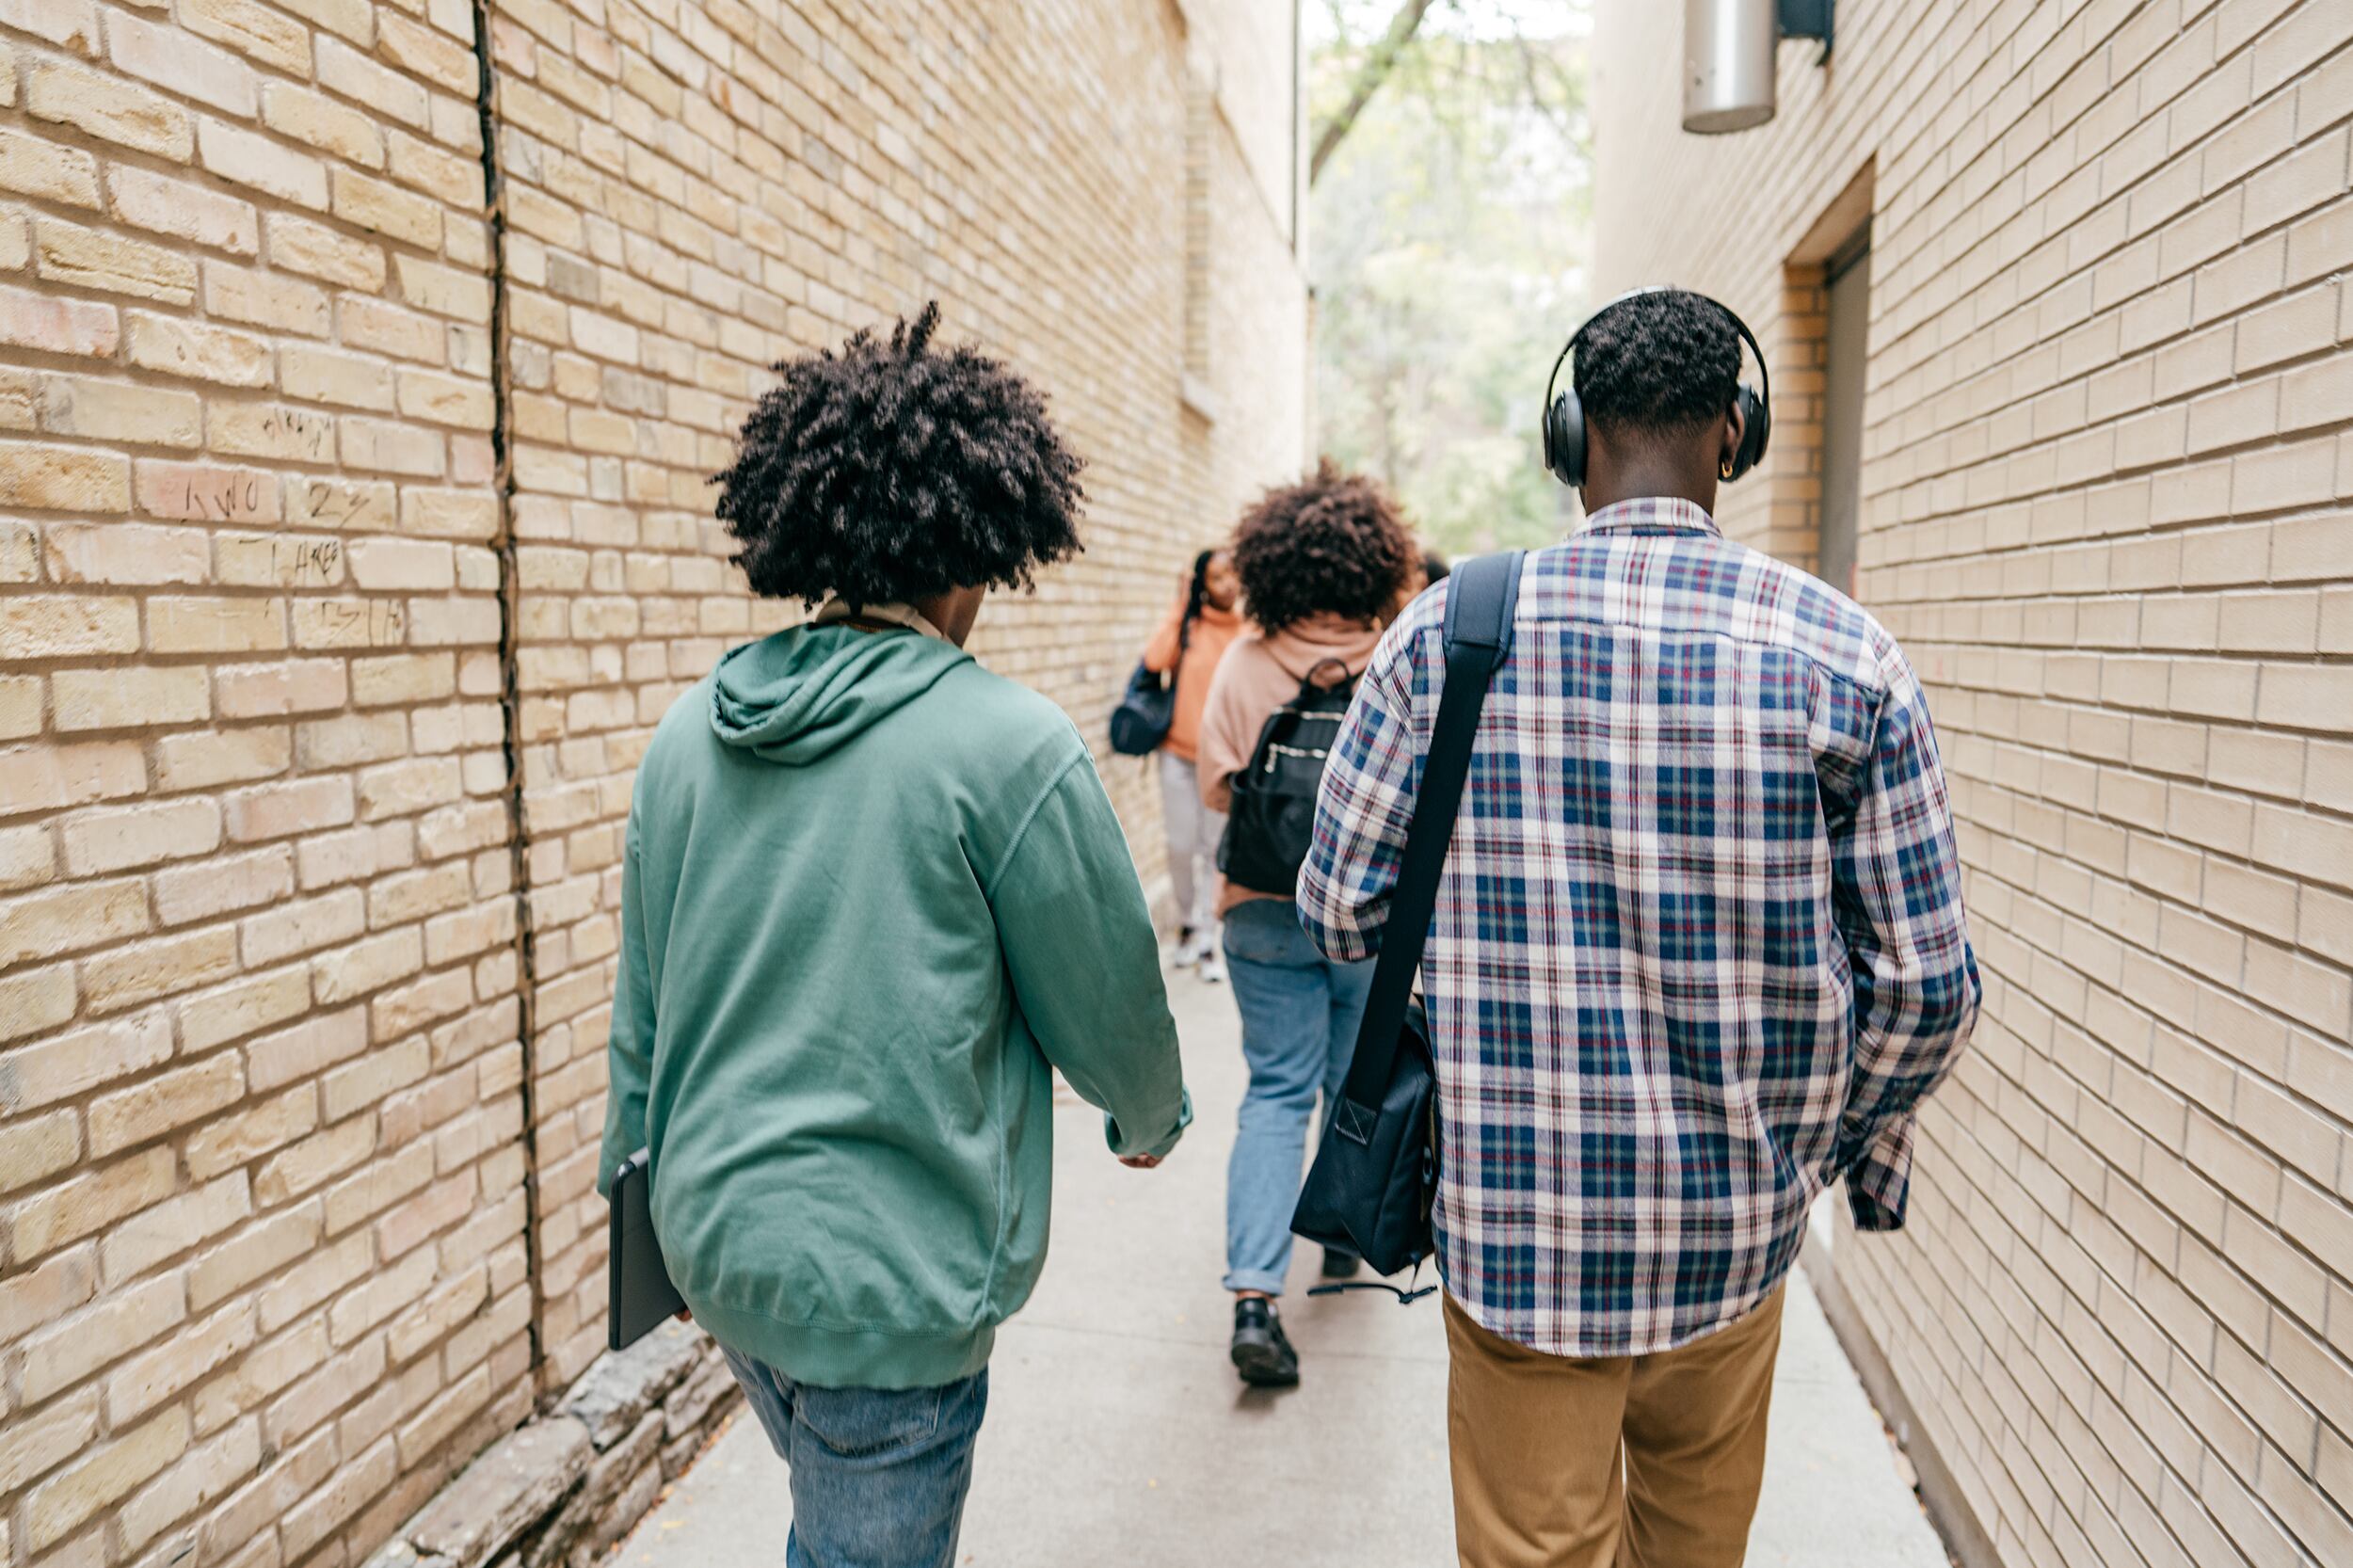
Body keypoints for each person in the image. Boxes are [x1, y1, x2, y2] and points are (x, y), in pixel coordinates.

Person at [1300, 288, 1978, 1568]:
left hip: (1518, 1226)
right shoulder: (1847, 656)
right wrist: (1810, 1132)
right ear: (1738, 432)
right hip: (1735, 1232)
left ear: (1571, 434)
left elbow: (1339, 908)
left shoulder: (1450, 634)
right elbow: (1928, 987)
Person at [598, 304, 1190, 1568]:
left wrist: (635, 1195)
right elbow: (1108, 989)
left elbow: (638, 1015)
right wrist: (1148, 1115)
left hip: (719, 1247)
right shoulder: (1004, 745)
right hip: (889, 1277)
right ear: (983, 553)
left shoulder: (684, 737)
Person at [1196, 459, 1417, 1386]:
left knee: (1273, 1091)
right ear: (1376, 565)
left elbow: (1215, 786)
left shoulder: (1245, 662)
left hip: (1258, 913)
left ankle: (1254, 1294)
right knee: (1343, 1079)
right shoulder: (1404, 655)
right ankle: (1335, 1232)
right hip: (1368, 917)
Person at [1140, 547, 1244, 979]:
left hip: (1221, 761)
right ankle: (1186, 926)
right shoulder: (1189, 627)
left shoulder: (1247, 631)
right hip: (1178, 755)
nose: (1228, 584)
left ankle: (1208, 940)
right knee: (1181, 846)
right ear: (1203, 583)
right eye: (1218, 577)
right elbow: (1153, 660)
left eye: (1232, 575)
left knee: (1213, 850)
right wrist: (1181, 604)